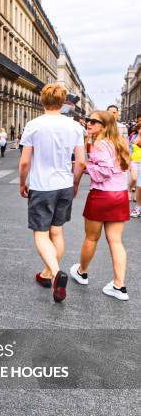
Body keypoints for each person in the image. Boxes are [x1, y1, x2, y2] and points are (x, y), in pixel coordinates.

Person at [18, 83, 85, 303]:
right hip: (64, 184)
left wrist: (22, 182)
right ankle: (47, 273)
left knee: (40, 233)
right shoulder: (75, 126)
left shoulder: (34, 125)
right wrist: (74, 183)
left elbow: (25, 161)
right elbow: (81, 162)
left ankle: (55, 274)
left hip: (42, 185)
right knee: (57, 232)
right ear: (64, 101)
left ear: (42, 100)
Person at [69, 111, 131, 301]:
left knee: (91, 238)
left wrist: (85, 166)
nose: (88, 123)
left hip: (102, 195)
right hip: (120, 195)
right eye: (88, 120)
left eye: (93, 121)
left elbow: (104, 171)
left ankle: (82, 272)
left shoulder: (100, 143)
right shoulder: (119, 142)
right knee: (115, 241)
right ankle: (119, 286)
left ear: (104, 126)